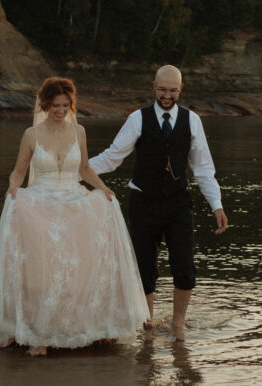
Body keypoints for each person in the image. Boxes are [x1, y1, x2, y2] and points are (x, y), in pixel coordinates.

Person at [0, 77, 149, 356]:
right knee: (42, 272)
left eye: (65, 105)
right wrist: (12, 187)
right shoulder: (31, 135)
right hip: (40, 204)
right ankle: (37, 333)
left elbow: (84, 169)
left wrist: (103, 187)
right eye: (55, 105)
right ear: (45, 104)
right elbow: (19, 172)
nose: (60, 110)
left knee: (78, 270)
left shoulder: (78, 131)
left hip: (73, 202)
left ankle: (93, 327)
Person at [89, 65, 229, 342]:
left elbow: (203, 168)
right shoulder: (137, 119)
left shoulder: (193, 121)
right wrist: (75, 169)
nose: (167, 95)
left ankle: (178, 324)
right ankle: (147, 324)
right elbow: (111, 158)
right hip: (144, 202)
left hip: (179, 203)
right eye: (162, 89)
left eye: (172, 90)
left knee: (185, 268)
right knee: (144, 268)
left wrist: (217, 205)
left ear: (181, 89)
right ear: (154, 86)